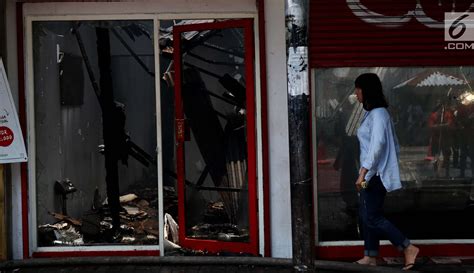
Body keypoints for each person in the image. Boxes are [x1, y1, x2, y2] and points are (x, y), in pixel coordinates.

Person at [353, 73, 419, 270]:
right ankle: (370, 256)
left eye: (358, 89)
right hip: (370, 175)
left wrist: (363, 172)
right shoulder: (372, 114)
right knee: (366, 214)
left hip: (375, 175)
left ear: (367, 90)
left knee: (372, 216)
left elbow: (378, 145)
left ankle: (407, 247)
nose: (356, 93)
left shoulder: (380, 113)